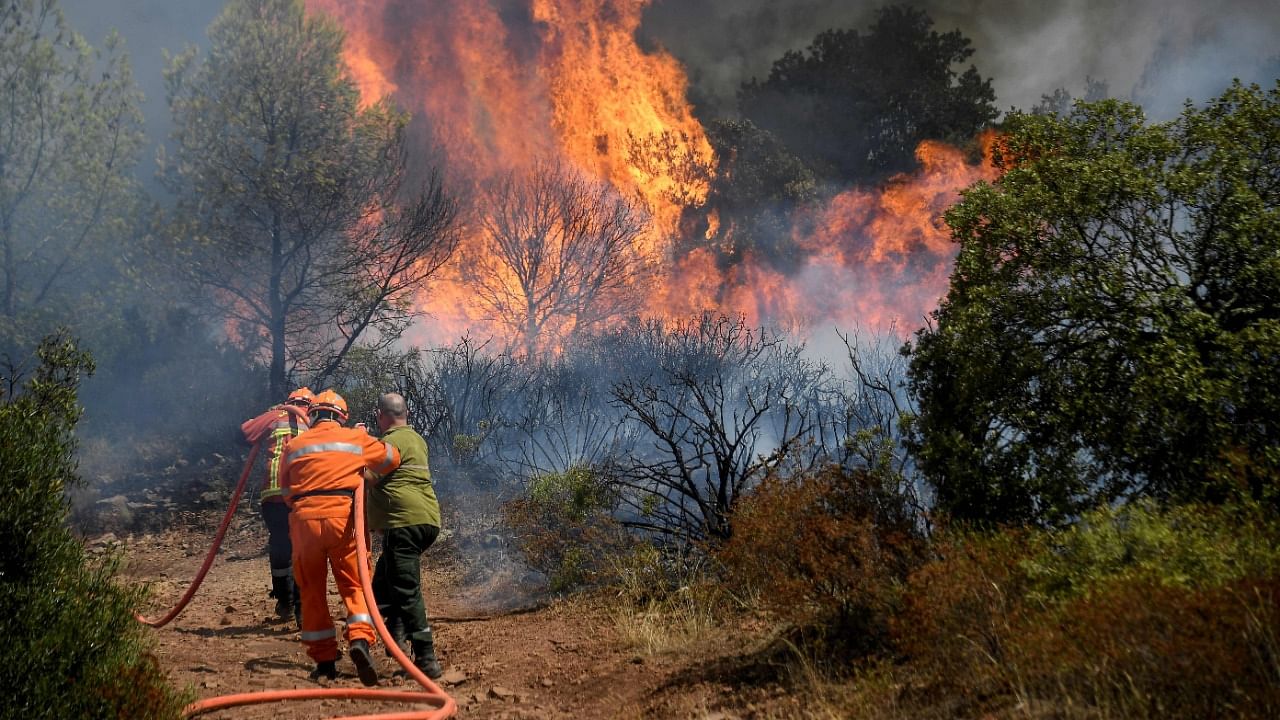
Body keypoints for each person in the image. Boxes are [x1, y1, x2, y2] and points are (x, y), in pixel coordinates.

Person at [280, 389, 400, 685]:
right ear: (341, 417)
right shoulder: (354, 438)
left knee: (311, 589)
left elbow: (285, 492)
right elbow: (391, 458)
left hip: (304, 520)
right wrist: (363, 450)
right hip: (344, 517)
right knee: (355, 583)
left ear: (313, 415)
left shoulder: (293, 445)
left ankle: (324, 662)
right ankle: (360, 639)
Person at [365, 392, 445, 679]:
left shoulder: (389, 443)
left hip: (404, 524)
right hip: (427, 521)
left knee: (407, 590)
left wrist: (356, 448)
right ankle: (396, 636)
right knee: (382, 586)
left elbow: (368, 477)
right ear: (406, 412)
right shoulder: (417, 439)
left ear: (380, 415)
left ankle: (426, 658)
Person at [240, 387, 312, 624]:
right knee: (303, 550)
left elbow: (245, 431)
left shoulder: (275, 417)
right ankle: (304, 609)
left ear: (288, 402)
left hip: (274, 495)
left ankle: (285, 602)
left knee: (281, 546)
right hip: (303, 496)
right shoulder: (314, 422)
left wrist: (263, 416)